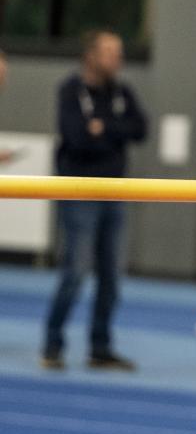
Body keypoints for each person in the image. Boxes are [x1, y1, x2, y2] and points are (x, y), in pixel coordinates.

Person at [42, 30, 148, 371]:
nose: (118, 59)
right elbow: (76, 137)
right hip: (79, 192)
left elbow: (140, 129)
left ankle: (100, 348)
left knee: (111, 276)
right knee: (76, 270)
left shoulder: (122, 91)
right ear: (91, 56)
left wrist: (105, 128)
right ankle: (53, 345)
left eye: (120, 52)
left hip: (115, 191)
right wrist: (112, 133)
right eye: (110, 52)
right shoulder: (71, 90)